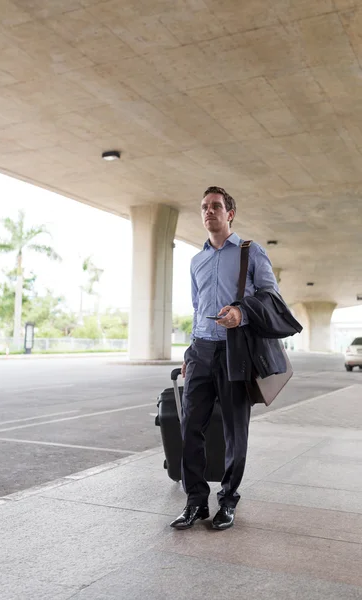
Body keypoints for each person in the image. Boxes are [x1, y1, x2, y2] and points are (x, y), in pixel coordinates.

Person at [170, 186, 279, 531]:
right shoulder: (196, 261)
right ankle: (196, 502)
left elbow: (271, 296)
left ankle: (228, 500)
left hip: (236, 351)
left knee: (235, 431)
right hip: (202, 350)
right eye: (204, 207)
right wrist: (190, 351)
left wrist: (241, 315)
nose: (209, 212)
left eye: (216, 206)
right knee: (190, 427)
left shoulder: (250, 252)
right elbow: (196, 308)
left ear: (229, 213)